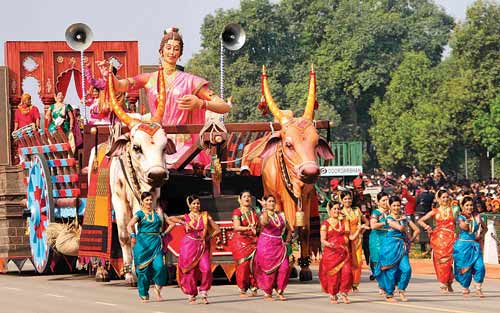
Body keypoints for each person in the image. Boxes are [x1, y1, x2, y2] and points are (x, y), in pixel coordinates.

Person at [99, 27, 231, 166]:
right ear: (161, 51)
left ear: (180, 53)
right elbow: (120, 85)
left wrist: (201, 104)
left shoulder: (191, 81)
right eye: (169, 48)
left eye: (176, 49)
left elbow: (224, 106)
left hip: (184, 145)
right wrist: (109, 74)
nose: (172, 52)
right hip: (155, 141)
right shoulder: (149, 78)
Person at [168, 195, 220, 304]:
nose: (196, 205)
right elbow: (170, 218)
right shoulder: (186, 217)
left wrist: (208, 237)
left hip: (202, 246)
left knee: (206, 269)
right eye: (194, 203)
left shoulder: (205, 215)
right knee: (189, 271)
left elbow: (217, 229)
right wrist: (184, 223)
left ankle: (204, 291)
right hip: (189, 245)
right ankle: (191, 294)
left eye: (198, 203)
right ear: (189, 205)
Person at [126, 191, 174, 302]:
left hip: (156, 243)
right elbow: (129, 225)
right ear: (142, 202)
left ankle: (157, 288)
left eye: (150, 200)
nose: (149, 202)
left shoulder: (158, 212)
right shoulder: (139, 214)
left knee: (160, 266)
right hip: (142, 245)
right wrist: (133, 235)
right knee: (143, 271)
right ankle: (143, 292)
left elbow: (171, 224)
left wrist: (164, 233)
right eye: (146, 200)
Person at [319, 201, 367, 304]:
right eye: (334, 209)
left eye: (338, 209)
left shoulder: (344, 223)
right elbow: (322, 239)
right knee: (334, 276)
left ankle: (344, 293)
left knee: (347, 273)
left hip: (344, 253)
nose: (337, 211)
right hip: (331, 254)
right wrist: (329, 244)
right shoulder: (325, 224)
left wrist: (359, 230)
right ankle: (333, 294)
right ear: (330, 210)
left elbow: (350, 237)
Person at [374, 196, 420, 302]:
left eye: (398, 205)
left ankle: (402, 290)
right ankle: (389, 294)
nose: (396, 207)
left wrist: (411, 239)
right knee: (391, 270)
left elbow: (417, 229)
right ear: (390, 206)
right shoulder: (388, 218)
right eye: (394, 205)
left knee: (406, 269)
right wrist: (403, 222)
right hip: (390, 246)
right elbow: (400, 228)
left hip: (402, 246)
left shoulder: (404, 218)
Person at [253, 195, 292, 301]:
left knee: (285, 267)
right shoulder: (263, 215)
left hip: (279, 245)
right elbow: (264, 222)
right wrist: (264, 209)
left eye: (273, 201)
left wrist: (287, 241)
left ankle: (280, 290)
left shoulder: (280, 215)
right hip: (266, 246)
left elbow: (289, 229)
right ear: (265, 203)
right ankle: (268, 292)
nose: (272, 203)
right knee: (269, 270)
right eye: (269, 201)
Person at [418, 189, 457, 293]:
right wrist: (427, 227)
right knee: (442, 262)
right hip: (439, 240)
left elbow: (459, 222)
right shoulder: (435, 211)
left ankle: (449, 281)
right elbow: (420, 220)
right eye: (443, 197)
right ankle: (443, 283)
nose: (445, 199)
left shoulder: (454, 210)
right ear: (439, 199)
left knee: (450, 262)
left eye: (447, 197)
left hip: (451, 238)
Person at [453, 196, 486, 297]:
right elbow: (465, 227)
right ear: (462, 206)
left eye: (471, 205)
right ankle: (465, 287)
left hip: (474, 245)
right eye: (467, 205)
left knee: (480, 266)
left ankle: (478, 288)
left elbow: (485, 228)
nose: (469, 207)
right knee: (465, 268)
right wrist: (474, 220)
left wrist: (480, 235)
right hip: (463, 246)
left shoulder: (476, 216)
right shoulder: (460, 218)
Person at [230, 191, 259, 297]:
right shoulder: (237, 212)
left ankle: (254, 286)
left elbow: (260, 224)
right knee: (244, 265)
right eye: (244, 196)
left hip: (254, 240)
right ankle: (242, 288)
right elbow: (236, 227)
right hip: (241, 241)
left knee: (255, 264)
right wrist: (248, 228)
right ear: (239, 199)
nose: (247, 198)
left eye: (249, 197)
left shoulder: (255, 211)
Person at [340, 191, 369, 291]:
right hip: (346, 239)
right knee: (347, 262)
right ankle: (346, 283)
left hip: (357, 239)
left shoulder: (356, 210)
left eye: (349, 199)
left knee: (358, 262)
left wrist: (362, 231)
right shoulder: (340, 212)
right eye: (345, 199)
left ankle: (355, 284)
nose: (348, 201)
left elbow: (366, 221)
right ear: (341, 200)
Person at [369, 191, 389, 294]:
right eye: (383, 200)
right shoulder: (376, 213)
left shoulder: (391, 212)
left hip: (389, 239)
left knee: (389, 262)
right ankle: (382, 285)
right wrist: (385, 222)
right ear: (378, 202)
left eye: (387, 200)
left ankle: (387, 284)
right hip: (377, 239)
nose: (386, 202)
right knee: (378, 262)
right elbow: (373, 225)